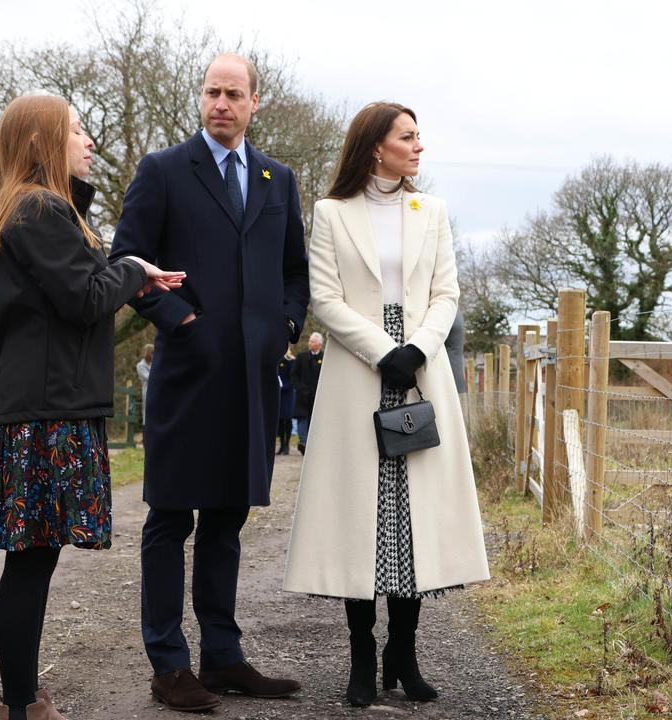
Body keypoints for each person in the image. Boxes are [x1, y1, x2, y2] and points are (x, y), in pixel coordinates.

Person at [109, 53, 309, 712]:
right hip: (188, 375)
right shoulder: (163, 171)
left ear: (255, 102)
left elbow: (293, 270)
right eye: (211, 92)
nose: (221, 103)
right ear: (202, 99)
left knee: (227, 521)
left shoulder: (277, 179)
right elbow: (126, 264)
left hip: (250, 379)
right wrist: (182, 319)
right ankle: (170, 667)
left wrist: (282, 324)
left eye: (233, 94)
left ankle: (223, 658)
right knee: (170, 519)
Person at [0, 94, 184, 720]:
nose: (89, 141)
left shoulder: (47, 210)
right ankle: (23, 705)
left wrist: (121, 267)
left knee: (34, 561)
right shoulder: (38, 209)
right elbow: (85, 297)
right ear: (44, 140)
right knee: (31, 562)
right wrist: (132, 268)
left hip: (48, 409)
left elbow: (81, 290)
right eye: (76, 131)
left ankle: (23, 697)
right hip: (44, 416)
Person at [282, 102, 490, 707]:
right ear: (377, 146)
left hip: (420, 373)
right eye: (408, 136)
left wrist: (418, 348)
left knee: (412, 515)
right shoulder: (332, 213)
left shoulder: (433, 211)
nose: (419, 146)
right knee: (362, 514)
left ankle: (404, 651)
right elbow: (326, 297)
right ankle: (360, 659)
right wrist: (381, 350)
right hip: (357, 371)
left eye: (419, 136)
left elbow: (446, 292)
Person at [290, 332, 323, 453]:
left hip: (318, 396)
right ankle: (303, 442)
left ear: (319, 344)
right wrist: (300, 388)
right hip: (303, 395)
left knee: (316, 420)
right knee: (302, 419)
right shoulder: (301, 356)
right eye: (309, 341)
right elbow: (293, 375)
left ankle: (314, 444)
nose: (310, 343)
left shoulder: (325, 358)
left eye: (313, 341)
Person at [276, 347, 295, 455]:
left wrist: (283, 387)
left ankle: (287, 445)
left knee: (287, 420)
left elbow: (292, 378)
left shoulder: (291, 362)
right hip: (278, 394)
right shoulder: (277, 361)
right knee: (279, 421)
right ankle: (281, 445)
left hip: (287, 395)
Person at [136, 343, 153, 426]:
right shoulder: (140, 365)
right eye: (152, 352)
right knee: (146, 413)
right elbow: (148, 377)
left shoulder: (153, 364)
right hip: (147, 391)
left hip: (156, 390)